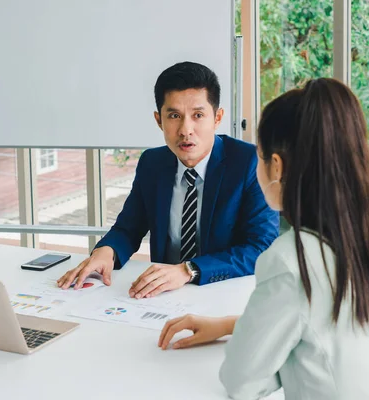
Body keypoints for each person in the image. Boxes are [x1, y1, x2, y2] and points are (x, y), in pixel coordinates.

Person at [158, 78, 369, 399]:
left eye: (261, 157)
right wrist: (228, 325)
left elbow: (242, 382)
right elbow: (317, 324)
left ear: (276, 167)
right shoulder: (368, 240)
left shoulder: (290, 259)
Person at [58, 61, 279, 297]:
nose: (186, 130)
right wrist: (106, 251)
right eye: (174, 115)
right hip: (163, 298)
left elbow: (262, 247)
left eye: (198, 115)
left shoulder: (248, 162)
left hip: (224, 296)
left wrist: (188, 270)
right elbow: (128, 228)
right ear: (158, 119)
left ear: (217, 118)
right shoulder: (152, 163)